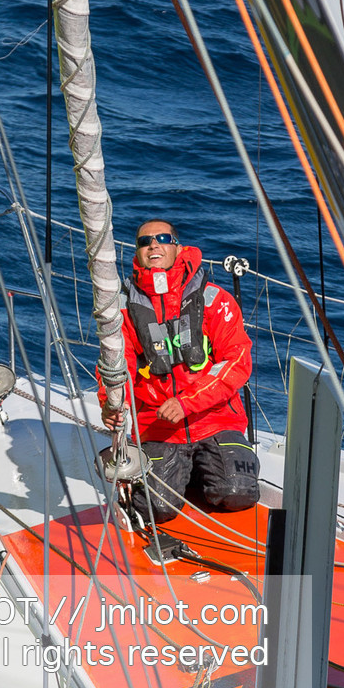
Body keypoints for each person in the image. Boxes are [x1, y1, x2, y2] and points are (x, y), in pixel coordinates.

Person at [101, 218, 260, 525]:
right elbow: (113, 367)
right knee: (155, 509)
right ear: (137, 252)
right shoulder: (124, 311)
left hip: (215, 420)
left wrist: (188, 402)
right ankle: (179, 473)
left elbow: (237, 360)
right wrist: (110, 405)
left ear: (177, 247)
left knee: (237, 492)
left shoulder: (214, 300)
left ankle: (201, 469)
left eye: (162, 238)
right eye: (144, 241)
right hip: (159, 426)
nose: (153, 245)